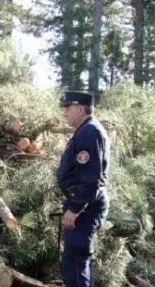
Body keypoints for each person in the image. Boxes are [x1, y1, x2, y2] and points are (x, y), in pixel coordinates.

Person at [56, 91, 110, 287]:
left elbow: (90, 176)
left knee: (76, 264)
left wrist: (75, 208)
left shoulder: (89, 132)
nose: (65, 114)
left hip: (85, 207)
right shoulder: (87, 130)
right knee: (80, 262)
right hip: (85, 203)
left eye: (68, 109)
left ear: (80, 109)